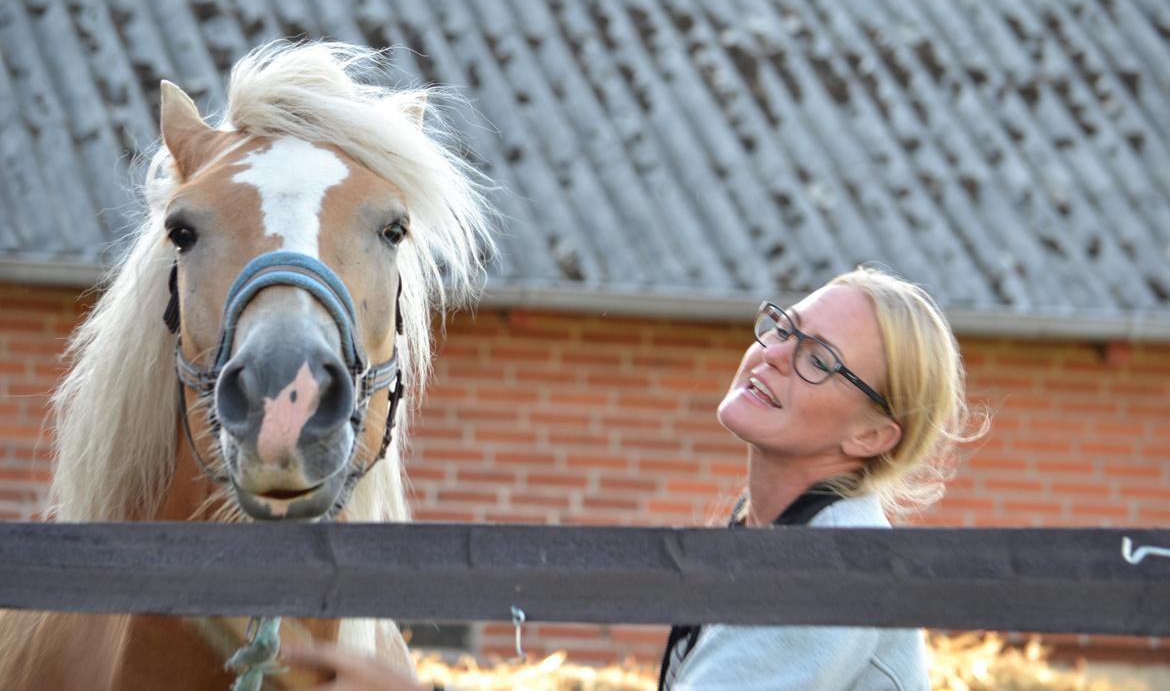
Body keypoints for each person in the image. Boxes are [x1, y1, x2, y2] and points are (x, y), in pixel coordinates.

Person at [283, 266, 983, 690]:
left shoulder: (834, 566)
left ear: (871, 435)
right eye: (782, 327)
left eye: (820, 360)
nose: (772, 355)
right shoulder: (775, 534)